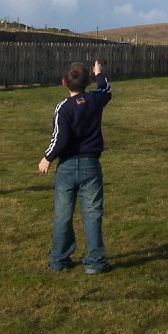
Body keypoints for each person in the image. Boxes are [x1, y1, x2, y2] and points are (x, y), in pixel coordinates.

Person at [39, 60, 113, 274]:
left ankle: (59, 259)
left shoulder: (63, 108)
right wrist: (99, 74)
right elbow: (106, 89)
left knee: (63, 214)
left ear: (64, 82)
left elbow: (59, 138)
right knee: (92, 214)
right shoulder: (95, 99)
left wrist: (47, 157)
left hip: (67, 167)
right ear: (88, 82)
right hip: (91, 165)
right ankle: (95, 261)